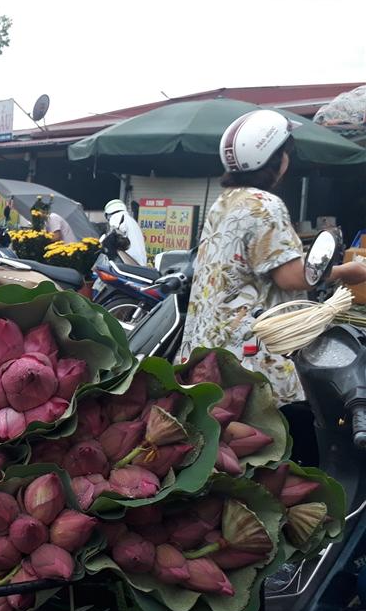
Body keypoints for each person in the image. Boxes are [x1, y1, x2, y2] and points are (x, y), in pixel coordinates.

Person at [179, 109, 366, 407]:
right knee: (265, 434)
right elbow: (293, 277)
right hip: (250, 352)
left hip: (209, 346)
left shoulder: (226, 201)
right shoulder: (264, 205)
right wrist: (348, 271)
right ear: (276, 158)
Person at [104, 198, 147, 266]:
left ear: (108, 213)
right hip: (138, 262)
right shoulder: (130, 220)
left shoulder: (117, 217)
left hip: (129, 262)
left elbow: (113, 234)